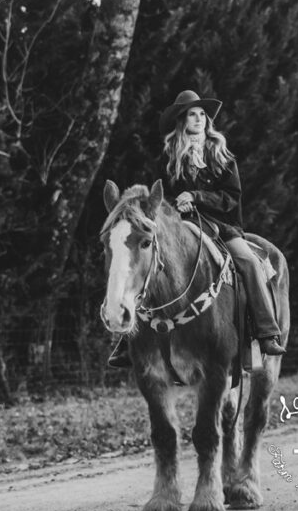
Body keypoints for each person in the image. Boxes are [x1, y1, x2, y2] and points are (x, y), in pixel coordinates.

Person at [108, 90, 285, 368]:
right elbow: (159, 196)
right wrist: (173, 208)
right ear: (182, 120)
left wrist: (197, 197)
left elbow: (232, 197)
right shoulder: (168, 156)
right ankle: (127, 342)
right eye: (193, 114)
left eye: (202, 114)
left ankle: (265, 332)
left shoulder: (222, 155)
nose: (199, 119)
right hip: (178, 225)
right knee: (149, 265)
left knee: (249, 263)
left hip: (221, 225)